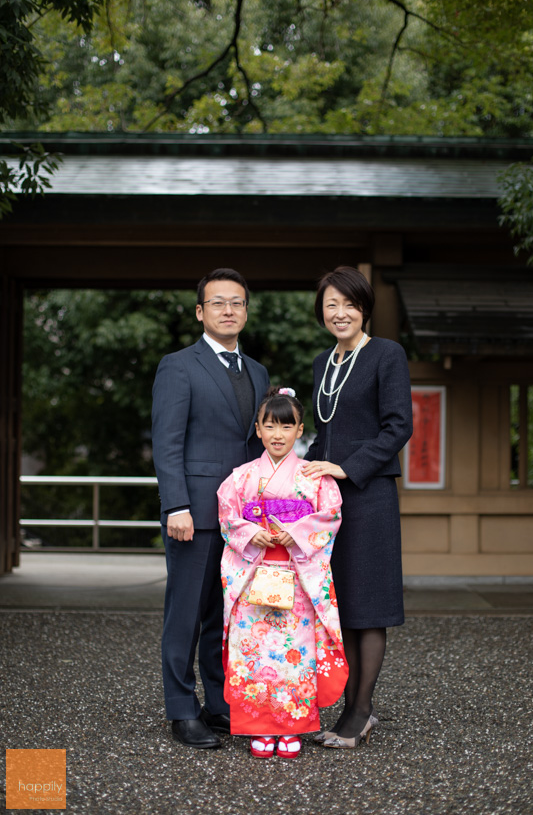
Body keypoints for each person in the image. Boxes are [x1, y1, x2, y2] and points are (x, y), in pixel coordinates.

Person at [151, 268, 270, 749]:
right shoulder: (178, 366)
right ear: (201, 311)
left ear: (245, 310)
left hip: (242, 520)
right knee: (186, 611)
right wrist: (176, 503)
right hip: (194, 513)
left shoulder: (258, 372)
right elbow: (167, 442)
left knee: (226, 614)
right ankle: (181, 709)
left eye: (237, 303)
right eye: (218, 303)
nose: (228, 310)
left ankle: (219, 705)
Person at [302, 265, 413, 749]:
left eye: (349, 304)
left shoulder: (386, 354)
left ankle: (360, 710)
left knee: (368, 607)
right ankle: (351, 703)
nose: (340, 312)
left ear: (364, 308)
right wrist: (289, 479)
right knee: (341, 605)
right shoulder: (321, 363)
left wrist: (347, 468)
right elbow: (323, 438)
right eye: (331, 304)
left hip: (368, 497)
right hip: (329, 504)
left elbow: (398, 426)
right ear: (321, 312)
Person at [217, 387, 348, 759]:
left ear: (300, 430)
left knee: (295, 654)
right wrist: (248, 532)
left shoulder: (314, 476)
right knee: (254, 654)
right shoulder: (241, 477)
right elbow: (227, 516)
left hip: (296, 575)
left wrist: (298, 532)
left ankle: (292, 727)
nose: (277, 434)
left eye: (286, 426)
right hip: (254, 573)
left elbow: (331, 515)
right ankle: (258, 727)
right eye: (269, 426)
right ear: (257, 430)